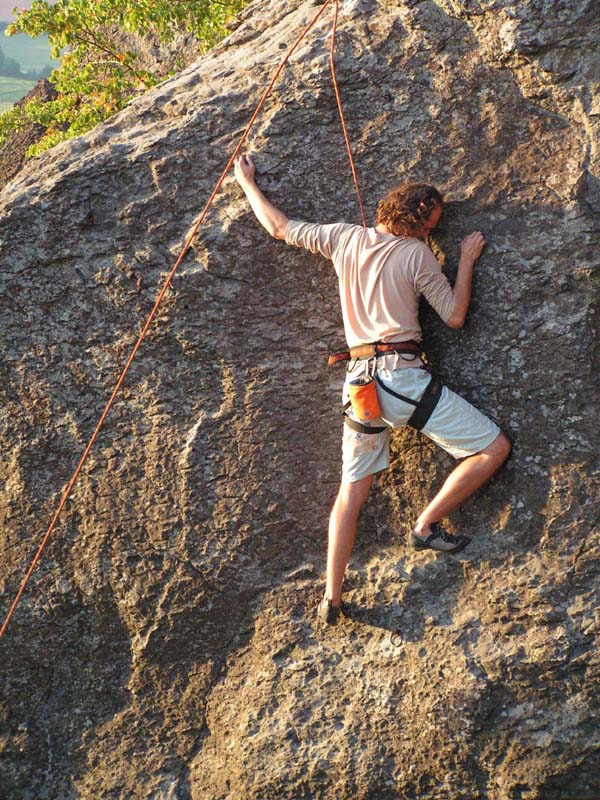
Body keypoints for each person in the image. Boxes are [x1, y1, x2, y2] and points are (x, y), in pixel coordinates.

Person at [234, 153, 511, 625]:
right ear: (416, 224)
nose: (431, 235)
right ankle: (425, 525)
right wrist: (463, 262)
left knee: (351, 492)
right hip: (401, 378)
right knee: (493, 448)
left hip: (358, 384)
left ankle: (332, 597)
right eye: (429, 227)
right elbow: (455, 316)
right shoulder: (418, 254)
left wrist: (246, 184)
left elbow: (280, 227)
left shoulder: (344, 238)